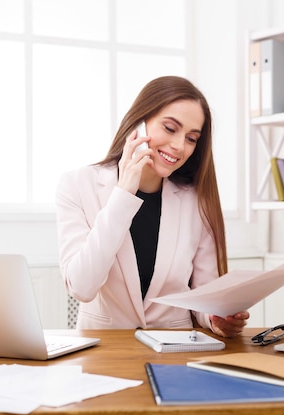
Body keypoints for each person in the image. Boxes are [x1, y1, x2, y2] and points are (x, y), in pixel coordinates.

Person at [55, 76, 248, 337]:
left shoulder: (196, 199)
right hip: (104, 353)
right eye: (170, 128)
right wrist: (123, 194)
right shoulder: (77, 185)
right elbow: (82, 286)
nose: (179, 146)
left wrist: (216, 318)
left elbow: (205, 294)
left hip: (174, 352)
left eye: (191, 138)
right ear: (139, 123)